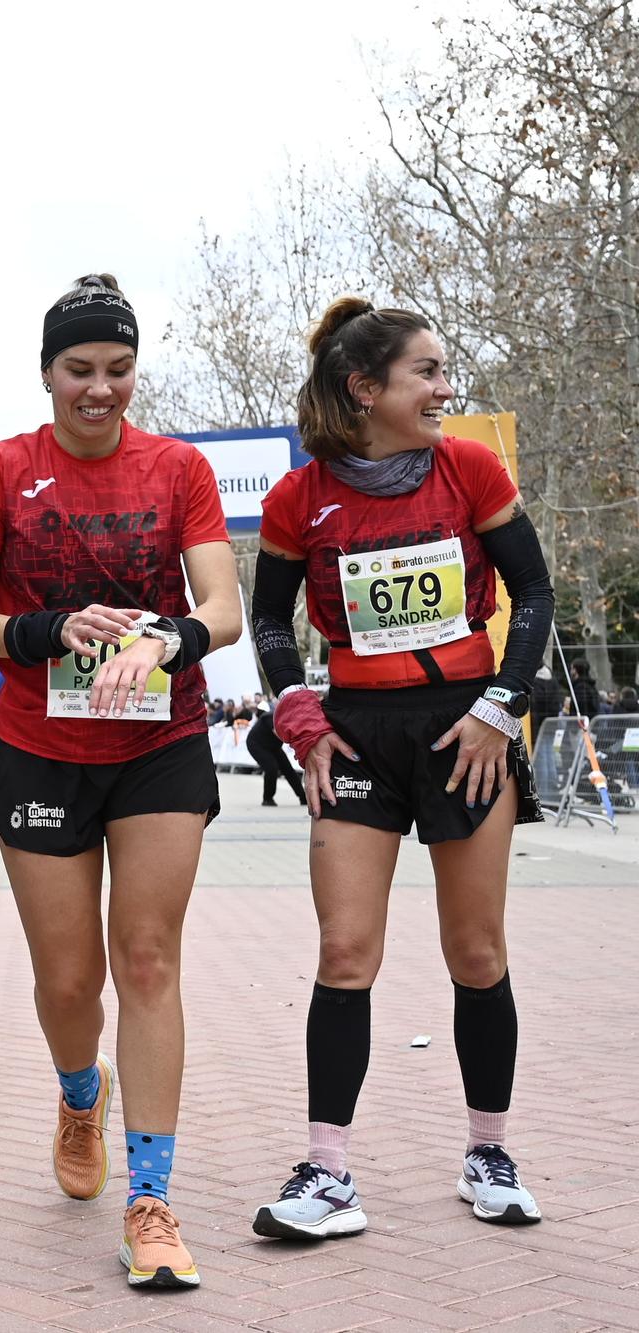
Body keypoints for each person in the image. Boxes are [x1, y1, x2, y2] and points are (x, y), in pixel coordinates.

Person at [0, 274, 240, 1290]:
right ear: (46, 373)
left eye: (117, 370)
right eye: (79, 370)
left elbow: (223, 606)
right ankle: (80, 1093)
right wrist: (46, 629)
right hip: (39, 746)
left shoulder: (177, 469)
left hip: (159, 741)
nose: (99, 390)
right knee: (69, 982)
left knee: (147, 958)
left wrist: (166, 640)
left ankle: (151, 1199)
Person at [249, 297, 553, 1241]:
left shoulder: (468, 467)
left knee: (477, 953)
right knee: (345, 951)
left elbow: (535, 590)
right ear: (366, 388)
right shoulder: (300, 499)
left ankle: (488, 1152)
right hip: (356, 736)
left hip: (468, 730)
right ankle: (328, 1172)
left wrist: (501, 708)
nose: (444, 387)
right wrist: (297, 713)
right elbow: (268, 621)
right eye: (426, 371)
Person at [245, 703, 307, 807]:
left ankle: (303, 797)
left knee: (288, 769)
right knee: (271, 768)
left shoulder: (291, 720)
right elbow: (278, 734)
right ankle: (267, 799)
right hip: (256, 744)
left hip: (273, 746)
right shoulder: (270, 716)